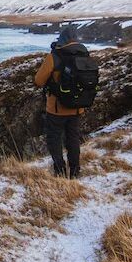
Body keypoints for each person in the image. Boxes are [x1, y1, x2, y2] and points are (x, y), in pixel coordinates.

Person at [33, 25, 86, 179]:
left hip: (57, 108)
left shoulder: (54, 56)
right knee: (73, 139)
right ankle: (75, 172)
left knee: (54, 139)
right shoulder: (84, 54)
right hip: (77, 107)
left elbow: (39, 80)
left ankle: (60, 171)